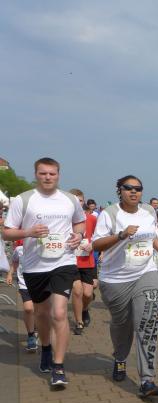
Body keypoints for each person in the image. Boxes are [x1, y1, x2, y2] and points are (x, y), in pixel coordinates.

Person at [3, 157, 85, 387]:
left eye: (52, 173)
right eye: (43, 173)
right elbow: (7, 233)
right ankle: (46, 348)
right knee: (41, 313)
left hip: (63, 262)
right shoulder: (24, 200)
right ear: (36, 174)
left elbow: (80, 223)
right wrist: (28, 232)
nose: (48, 177)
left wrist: (78, 235)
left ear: (58, 174)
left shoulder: (69, 199)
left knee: (59, 313)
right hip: (35, 265)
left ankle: (58, 367)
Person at [92, 175, 158, 398]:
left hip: (146, 273)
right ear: (120, 190)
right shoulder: (110, 214)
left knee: (146, 324)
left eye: (138, 188)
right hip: (115, 279)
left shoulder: (149, 211)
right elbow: (96, 244)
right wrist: (121, 235)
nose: (133, 192)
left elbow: (151, 235)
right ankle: (120, 357)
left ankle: (147, 379)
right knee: (122, 324)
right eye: (128, 188)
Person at [68, 189, 97, 335]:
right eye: (74, 200)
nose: (77, 203)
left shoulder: (91, 219)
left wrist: (94, 246)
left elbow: (99, 236)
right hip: (71, 261)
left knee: (87, 294)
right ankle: (79, 322)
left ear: (83, 202)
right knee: (77, 291)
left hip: (87, 260)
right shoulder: (65, 219)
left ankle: (85, 309)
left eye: (80, 200)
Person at [6, 240, 37, 352]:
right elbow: (15, 262)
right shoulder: (19, 250)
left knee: (39, 310)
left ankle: (36, 327)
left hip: (40, 283)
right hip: (24, 283)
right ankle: (31, 336)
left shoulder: (40, 248)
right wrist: (10, 274)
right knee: (28, 308)